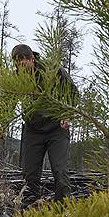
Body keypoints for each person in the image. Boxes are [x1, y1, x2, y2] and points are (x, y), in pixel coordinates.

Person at [9, 44, 78, 205]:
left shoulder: (53, 70)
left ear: (32, 58)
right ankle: (30, 207)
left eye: (23, 64)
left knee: (60, 171)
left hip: (57, 128)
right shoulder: (16, 77)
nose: (20, 69)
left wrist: (68, 114)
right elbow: (7, 102)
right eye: (17, 65)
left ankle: (63, 208)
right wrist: (2, 122)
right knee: (29, 174)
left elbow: (73, 92)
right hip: (32, 129)